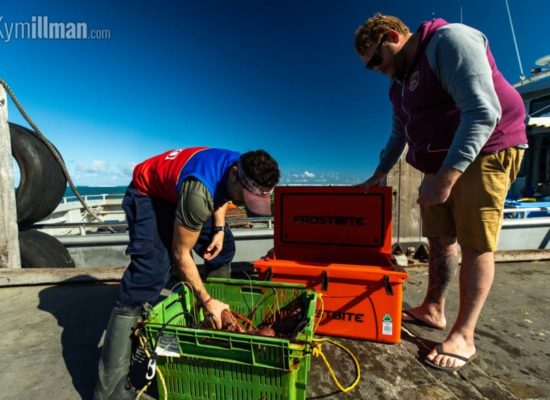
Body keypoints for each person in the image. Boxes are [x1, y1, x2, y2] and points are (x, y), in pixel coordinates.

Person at [354, 14, 527, 372]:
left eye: (376, 59)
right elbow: (398, 134)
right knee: (439, 237)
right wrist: (379, 173)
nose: (376, 69)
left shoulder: (450, 40)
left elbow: (483, 111)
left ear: (392, 36)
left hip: (489, 148)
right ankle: (433, 309)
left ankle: (464, 335)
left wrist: (446, 178)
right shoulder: (397, 88)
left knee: (476, 242)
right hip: (438, 160)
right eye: (369, 67)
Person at [93, 147, 280, 400]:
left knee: (223, 250)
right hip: (149, 194)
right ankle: (110, 390)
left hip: (186, 192)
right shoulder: (198, 192)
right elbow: (181, 254)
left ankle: (216, 327)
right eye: (244, 197)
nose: (242, 204)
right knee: (150, 273)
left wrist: (220, 228)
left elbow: (223, 195)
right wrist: (206, 299)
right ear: (235, 173)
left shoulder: (244, 166)